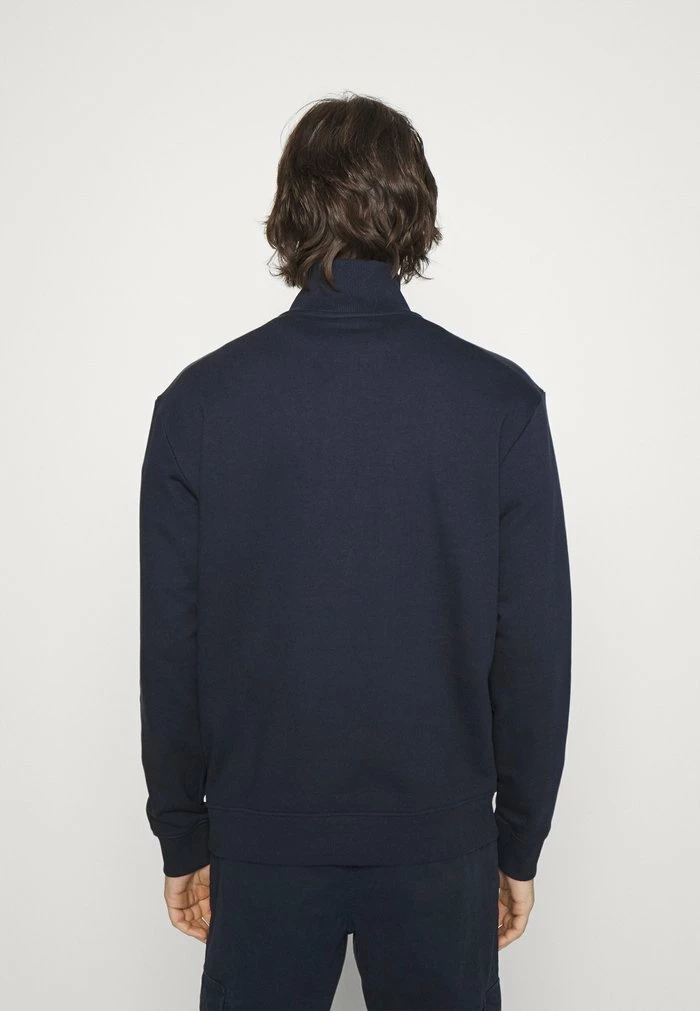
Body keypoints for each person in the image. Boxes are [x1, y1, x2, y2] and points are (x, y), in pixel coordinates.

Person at [139, 91, 572, 1011]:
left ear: (291, 209)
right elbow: (533, 647)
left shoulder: (199, 405)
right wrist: (518, 842)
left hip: (261, 841)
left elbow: (172, 642)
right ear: (415, 209)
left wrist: (183, 833)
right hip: (440, 845)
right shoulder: (500, 405)